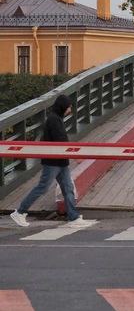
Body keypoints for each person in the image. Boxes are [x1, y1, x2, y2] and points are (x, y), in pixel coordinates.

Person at [11, 95, 95, 228]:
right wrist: (75, 155)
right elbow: (61, 141)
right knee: (43, 187)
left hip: (60, 161)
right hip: (52, 161)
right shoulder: (54, 120)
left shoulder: (57, 119)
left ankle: (73, 218)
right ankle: (20, 212)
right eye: (69, 107)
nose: (70, 109)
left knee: (68, 188)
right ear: (63, 107)